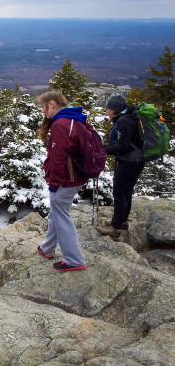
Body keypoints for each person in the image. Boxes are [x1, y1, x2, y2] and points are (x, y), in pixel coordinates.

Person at [36, 90, 88, 271]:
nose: (43, 111)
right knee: (57, 212)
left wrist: (54, 184)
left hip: (67, 179)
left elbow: (58, 158)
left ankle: (74, 259)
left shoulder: (61, 124)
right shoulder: (76, 119)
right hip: (78, 176)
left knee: (61, 216)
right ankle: (48, 247)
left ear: (52, 104)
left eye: (43, 107)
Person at [95, 94, 145, 239]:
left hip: (129, 162)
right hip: (135, 161)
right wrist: (103, 148)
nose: (106, 111)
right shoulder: (129, 117)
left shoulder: (124, 121)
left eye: (108, 109)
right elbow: (123, 143)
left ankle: (115, 227)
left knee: (119, 193)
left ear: (115, 110)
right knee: (126, 191)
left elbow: (123, 145)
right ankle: (122, 221)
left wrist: (103, 151)